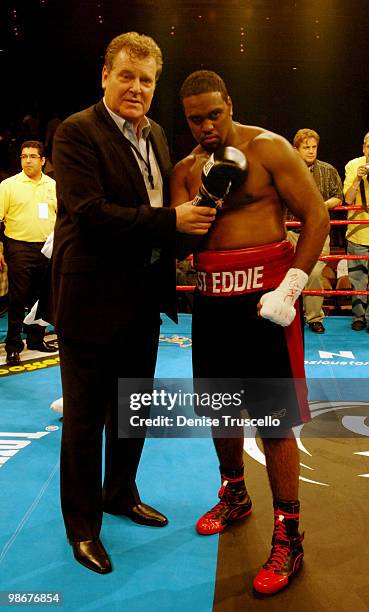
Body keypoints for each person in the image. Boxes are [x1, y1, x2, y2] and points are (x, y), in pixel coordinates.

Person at [51, 33, 216, 574]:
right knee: (83, 421)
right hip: (90, 300)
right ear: (105, 75)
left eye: (146, 80)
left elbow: (157, 206)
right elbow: (91, 212)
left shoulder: (159, 135)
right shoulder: (77, 132)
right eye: (127, 76)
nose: (136, 88)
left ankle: (119, 494)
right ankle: (82, 527)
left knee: (131, 410)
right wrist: (173, 222)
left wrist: (185, 234)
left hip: (142, 298)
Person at [171, 70, 329, 595]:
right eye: (196, 119)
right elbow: (176, 242)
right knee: (219, 408)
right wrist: (202, 207)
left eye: (214, 114)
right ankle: (234, 492)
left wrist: (292, 287)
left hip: (266, 302)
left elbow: (315, 217)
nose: (206, 126)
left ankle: (290, 534)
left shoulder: (270, 149)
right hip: (213, 303)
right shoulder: (185, 169)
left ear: (229, 104)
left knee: (273, 419)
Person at [0, 140, 57, 364]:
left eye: (33, 156)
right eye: (24, 156)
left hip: (47, 247)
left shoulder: (53, 185)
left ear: (43, 161)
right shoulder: (8, 185)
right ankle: (13, 344)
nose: (28, 160)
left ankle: (36, 339)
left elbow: (61, 218)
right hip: (18, 246)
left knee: (42, 298)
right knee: (17, 298)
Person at [287, 129, 343, 333]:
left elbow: (339, 196)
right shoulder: (286, 169)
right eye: (306, 147)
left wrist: (321, 205)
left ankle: (313, 318)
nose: (311, 151)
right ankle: (288, 316)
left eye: (314, 147)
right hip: (290, 230)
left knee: (315, 273)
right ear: (296, 149)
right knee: (287, 275)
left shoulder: (328, 170)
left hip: (318, 231)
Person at [343, 132, 369, 331]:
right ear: (363, 148)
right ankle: (358, 317)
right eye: (368, 146)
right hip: (358, 232)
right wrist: (358, 179)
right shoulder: (353, 165)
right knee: (357, 280)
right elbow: (348, 199)